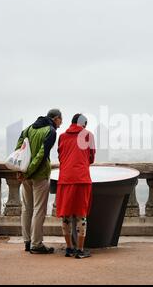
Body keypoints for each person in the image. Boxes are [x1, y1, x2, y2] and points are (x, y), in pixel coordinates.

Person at [16, 109, 62, 254]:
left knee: (26, 208)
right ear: (56, 119)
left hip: (25, 175)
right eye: (61, 120)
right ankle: (36, 244)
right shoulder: (51, 131)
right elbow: (42, 154)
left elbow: (18, 150)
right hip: (40, 175)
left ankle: (27, 241)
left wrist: (21, 170)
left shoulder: (28, 129)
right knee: (39, 210)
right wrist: (30, 170)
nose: (61, 123)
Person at [56, 113, 95, 259]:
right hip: (81, 179)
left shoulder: (62, 136)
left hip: (65, 179)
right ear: (83, 124)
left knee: (66, 216)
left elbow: (60, 156)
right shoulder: (88, 136)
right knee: (81, 215)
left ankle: (69, 248)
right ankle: (79, 250)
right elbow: (91, 157)